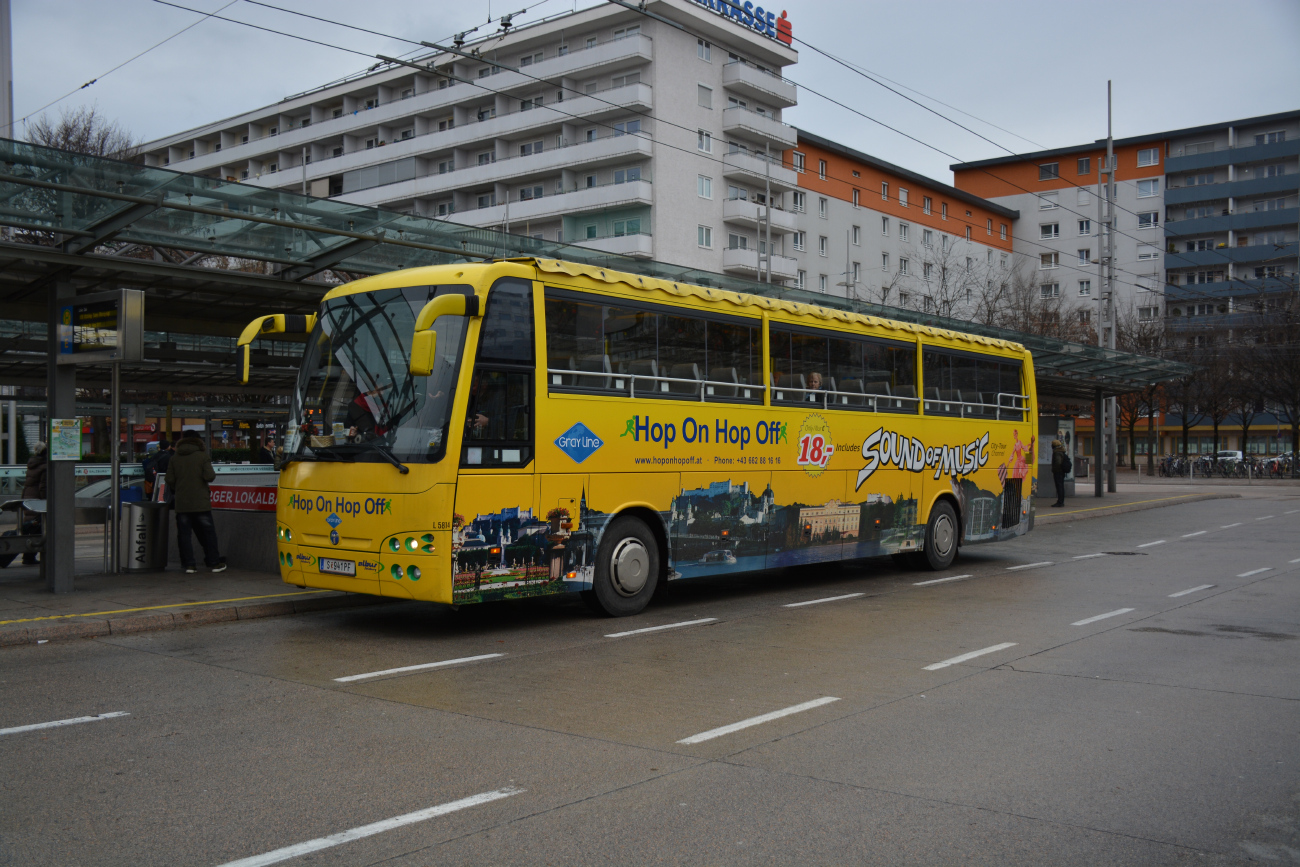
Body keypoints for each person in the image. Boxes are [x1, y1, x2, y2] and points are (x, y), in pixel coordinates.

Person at [165, 430, 226, 573]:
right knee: (208, 534)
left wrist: (180, 487)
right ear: (198, 441)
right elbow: (210, 476)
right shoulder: (202, 456)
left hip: (182, 503)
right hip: (201, 502)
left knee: (184, 535)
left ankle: (189, 565)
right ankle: (214, 563)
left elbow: (169, 479)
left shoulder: (174, 458)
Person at [18, 442, 47, 565]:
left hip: (28, 499)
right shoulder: (44, 467)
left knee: (31, 528)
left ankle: (28, 556)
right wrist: (47, 501)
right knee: (39, 529)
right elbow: (43, 487)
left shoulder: (32, 464)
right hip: (38, 502)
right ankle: (30, 557)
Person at [1050, 439, 1068, 507]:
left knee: (1059, 486)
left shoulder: (1057, 452)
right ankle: (1061, 501)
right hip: (1061, 472)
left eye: (1052, 445)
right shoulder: (1062, 451)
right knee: (1061, 486)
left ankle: (1060, 502)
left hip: (1058, 472)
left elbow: (1058, 462)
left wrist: (1055, 470)